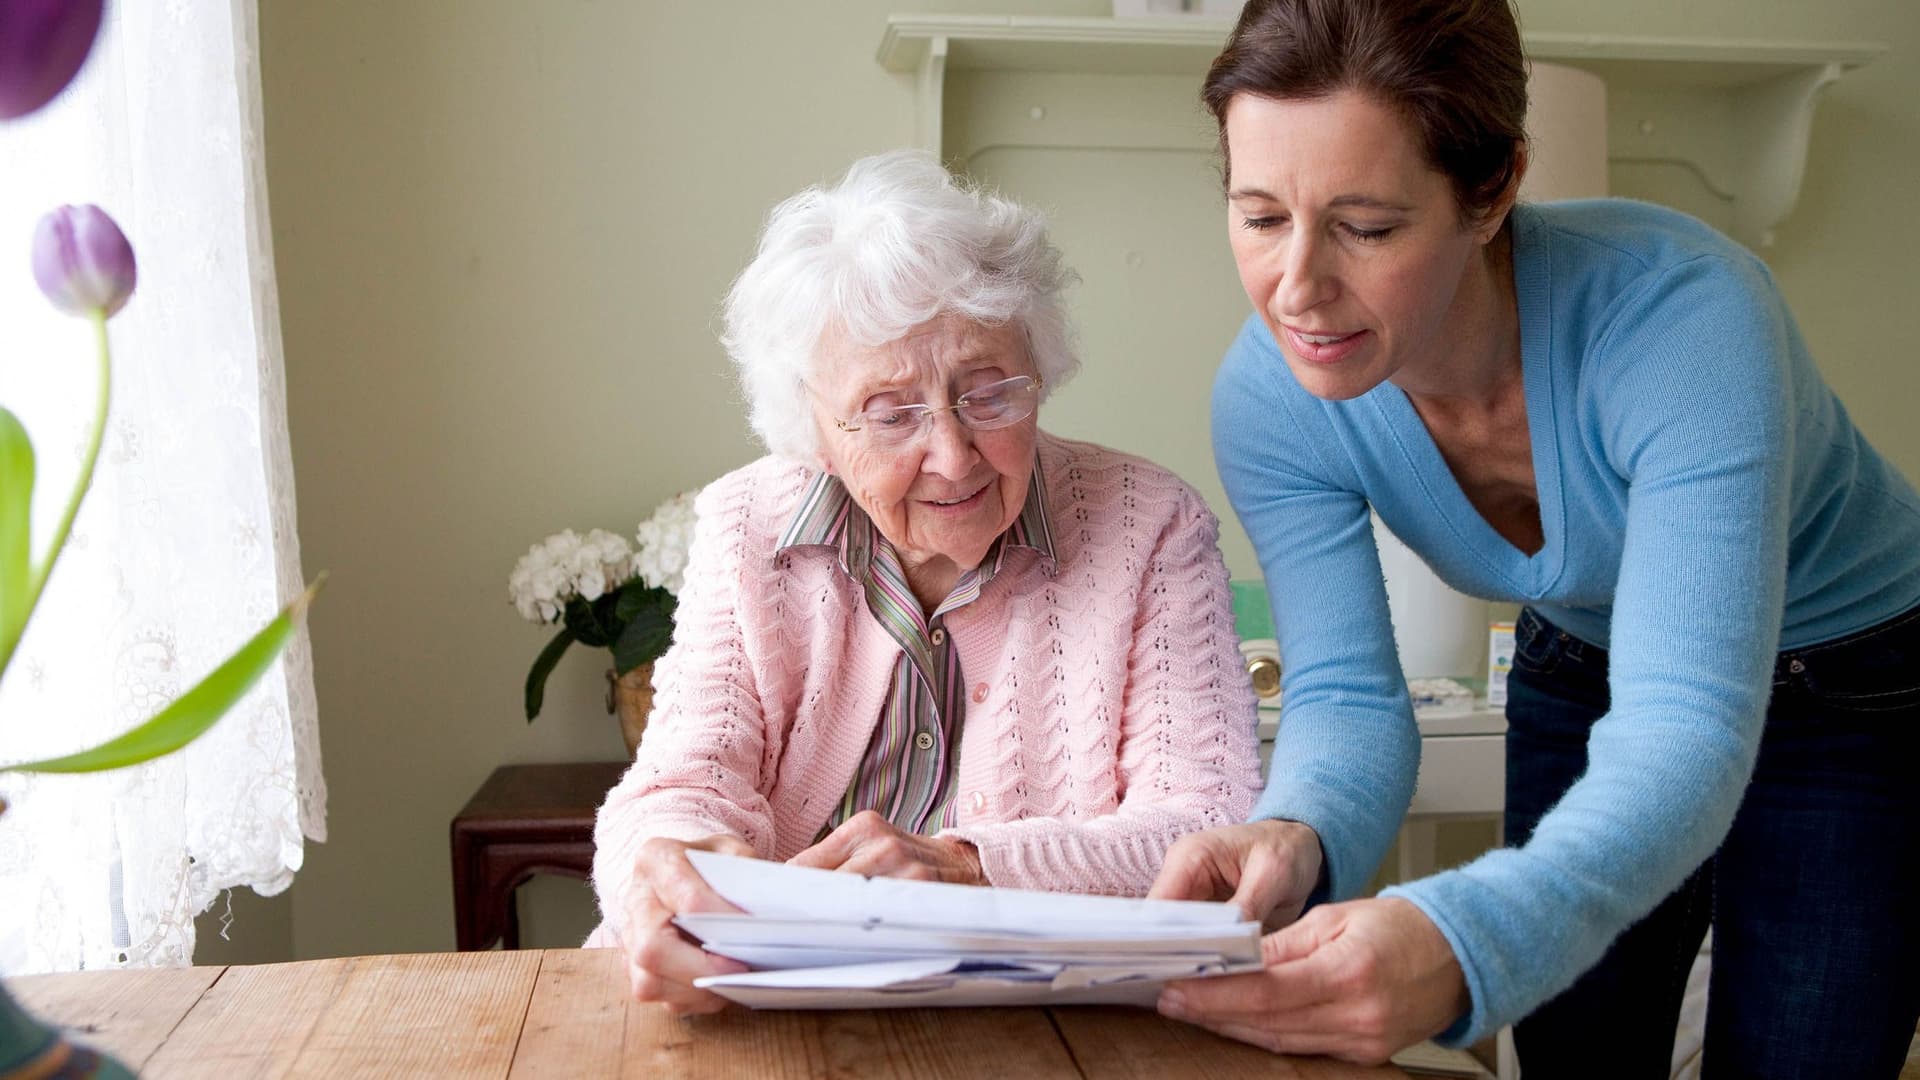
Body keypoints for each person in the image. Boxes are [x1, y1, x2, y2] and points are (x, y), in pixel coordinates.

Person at [1146, 0, 1920, 1075]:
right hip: (1583, 659)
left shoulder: (1685, 321)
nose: (1298, 289)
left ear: (1494, 189)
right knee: (1574, 1054)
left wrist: (1462, 938)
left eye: (1366, 227)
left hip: (1858, 681)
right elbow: (1345, 698)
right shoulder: (1271, 399)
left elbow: (1686, 726)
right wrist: (1302, 830)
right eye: (1260, 216)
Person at [588, 150, 1266, 1016]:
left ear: (1040, 373)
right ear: (816, 429)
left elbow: (1205, 830)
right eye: (890, 413)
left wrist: (965, 869)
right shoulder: (746, 527)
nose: (951, 456)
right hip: (759, 1011)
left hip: (1045, 1027)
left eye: (989, 394)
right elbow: (681, 779)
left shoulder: (1152, 525)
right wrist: (669, 865)